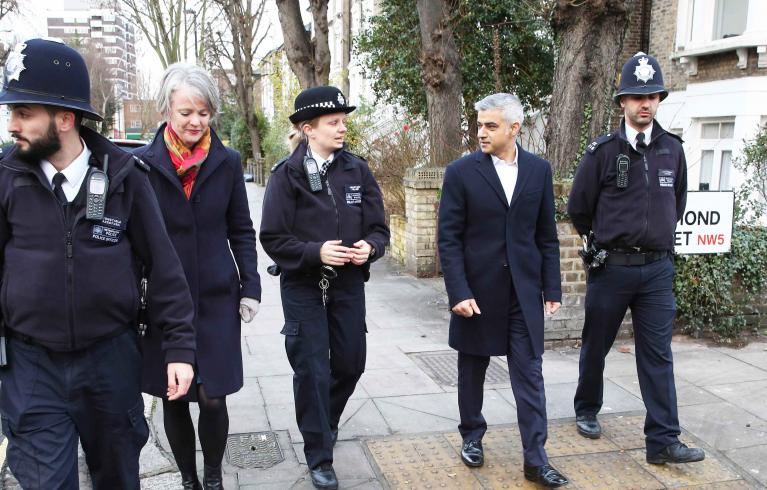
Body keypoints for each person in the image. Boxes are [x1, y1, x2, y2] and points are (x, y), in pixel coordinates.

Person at [0, 38, 195, 489]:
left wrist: (180, 349)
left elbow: (165, 269)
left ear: (65, 119)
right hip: (32, 368)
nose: (12, 125)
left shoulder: (126, 179)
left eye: (24, 113)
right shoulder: (7, 178)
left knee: (118, 479)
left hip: (110, 364)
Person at [568, 52, 705, 465]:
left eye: (652, 96)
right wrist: (604, 241)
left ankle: (663, 440)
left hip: (658, 270)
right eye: (636, 97)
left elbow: (675, 203)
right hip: (612, 269)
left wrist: (654, 236)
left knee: (658, 354)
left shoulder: (673, 150)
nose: (645, 104)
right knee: (597, 345)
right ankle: (587, 407)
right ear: (622, 102)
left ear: (660, 99)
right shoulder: (602, 153)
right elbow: (578, 207)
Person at [133, 63, 261, 490]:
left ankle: (212, 476)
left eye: (204, 113)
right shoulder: (141, 166)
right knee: (174, 396)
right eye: (186, 111)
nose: (195, 121)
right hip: (165, 301)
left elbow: (242, 229)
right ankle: (188, 478)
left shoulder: (227, 162)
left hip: (215, 297)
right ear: (166, 109)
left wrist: (251, 287)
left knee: (213, 395)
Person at [260, 86, 389, 490]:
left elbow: (379, 228)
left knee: (351, 364)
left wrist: (371, 247)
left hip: (349, 285)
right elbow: (273, 238)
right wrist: (317, 252)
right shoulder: (286, 175)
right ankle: (319, 454)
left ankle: (325, 418)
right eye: (333, 123)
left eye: (343, 121)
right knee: (312, 371)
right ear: (307, 129)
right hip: (303, 287)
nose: (342, 128)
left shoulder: (357, 170)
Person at [438, 93, 568, 488]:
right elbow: (449, 238)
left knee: (530, 374)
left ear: (515, 128)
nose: (481, 132)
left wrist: (552, 286)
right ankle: (472, 435)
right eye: (479, 125)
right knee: (472, 368)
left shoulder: (538, 170)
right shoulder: (461, 173)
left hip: (523, 293)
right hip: (477, 292)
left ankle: (536, 457)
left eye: (490, 126)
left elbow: (546, 235)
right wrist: (458, 291)